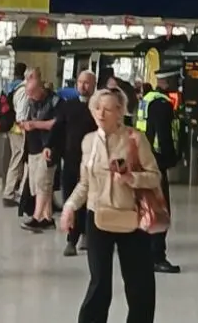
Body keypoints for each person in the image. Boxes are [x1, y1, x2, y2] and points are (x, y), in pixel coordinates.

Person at [61, 88, 160, 323]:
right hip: (99, 218)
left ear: (120, 112)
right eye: (97, 108)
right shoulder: (89, 142)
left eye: (108, 109)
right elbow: (84, 184)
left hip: (132, 220)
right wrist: (70, 207)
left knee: (139, 285)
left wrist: (131, 178)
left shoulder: (135, 139)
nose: (101, 113)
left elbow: (155, 176)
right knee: (99, 282)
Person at [46, 70, 98, 256]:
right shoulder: (68, 107)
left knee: (90, 200)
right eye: (81, 82)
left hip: (93, 163)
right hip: (70, 161)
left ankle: (87, 234)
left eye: (87, 83)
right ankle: (71, 239)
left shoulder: (98, 107)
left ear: (94, 85)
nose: (83, 86)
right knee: (71, 200)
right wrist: (50, 147)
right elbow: (58, 129)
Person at [136, 67, 181, 273]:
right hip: (157, 162)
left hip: (143, 158)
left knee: (147, 206)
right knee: (160, 209)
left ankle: (144, 254)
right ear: (168, 81)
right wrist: (171, 159)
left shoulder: (146, 100)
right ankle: (157, 256)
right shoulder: (162, 104)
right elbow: (163, 136)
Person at [19, 68, 61, 231]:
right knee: (37, 184)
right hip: (33, 147)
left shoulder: (55, 101)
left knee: (44, 182)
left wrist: (35, 124)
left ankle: (37, 217)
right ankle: (47, 217)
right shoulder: (31, 102)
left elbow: (55, 123)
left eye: (33, 94)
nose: (31, 98)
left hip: (48, 147)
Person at [1, 61, 28, 206]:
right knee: (18, 160)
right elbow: (21, 114)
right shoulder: (22, 88)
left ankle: (13, 190)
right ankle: (10, 192)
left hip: (11, 127)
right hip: (19, 128)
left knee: (16, 159)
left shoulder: (9, 86)